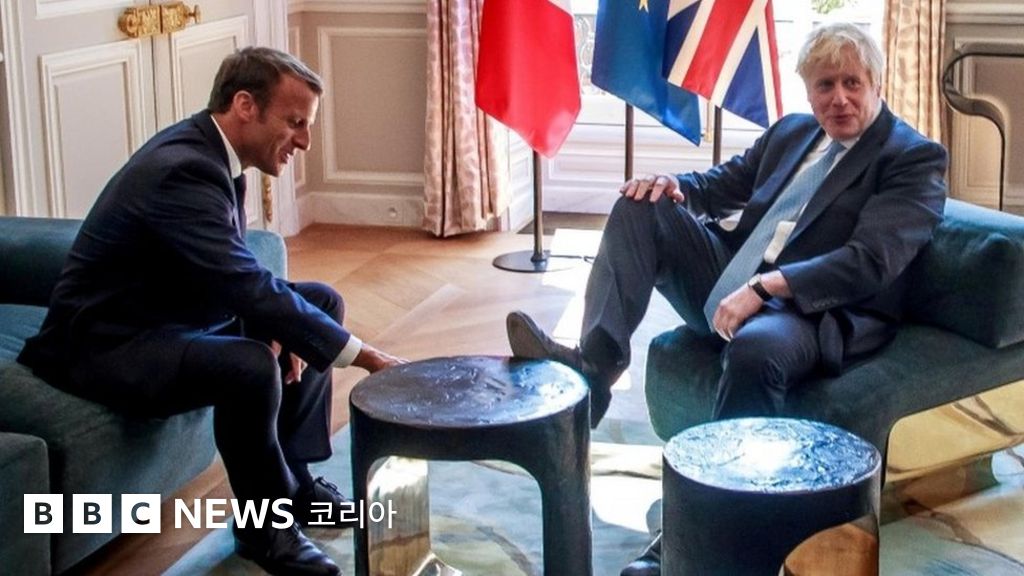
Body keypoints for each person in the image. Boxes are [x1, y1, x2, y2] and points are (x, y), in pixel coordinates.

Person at [506, 23, 947, 576]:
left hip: (814, 307)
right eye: (825, 85)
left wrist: (766, 287)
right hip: (736, 275)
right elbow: (721, 185)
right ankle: (594, 371)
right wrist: (674, 186)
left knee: (756, 350)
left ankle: (691, 537)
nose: (839, 98)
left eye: (852, 83)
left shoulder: (911, 157)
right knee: (639, 206)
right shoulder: (793, 132)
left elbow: (870, 261)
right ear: (808, 91)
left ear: (876, 84)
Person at [18, 46, 403, 576]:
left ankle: (295, 484)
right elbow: (240, 282)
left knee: (321, 302)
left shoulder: (214, 154)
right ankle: (265, 533)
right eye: (295, 122)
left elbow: (225, 269)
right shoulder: (183, 171)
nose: (305, 141)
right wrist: (368, 358)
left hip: (172, 315)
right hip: (106, 344)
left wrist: (274, 323)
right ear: (245, 105)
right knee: (249, 366)